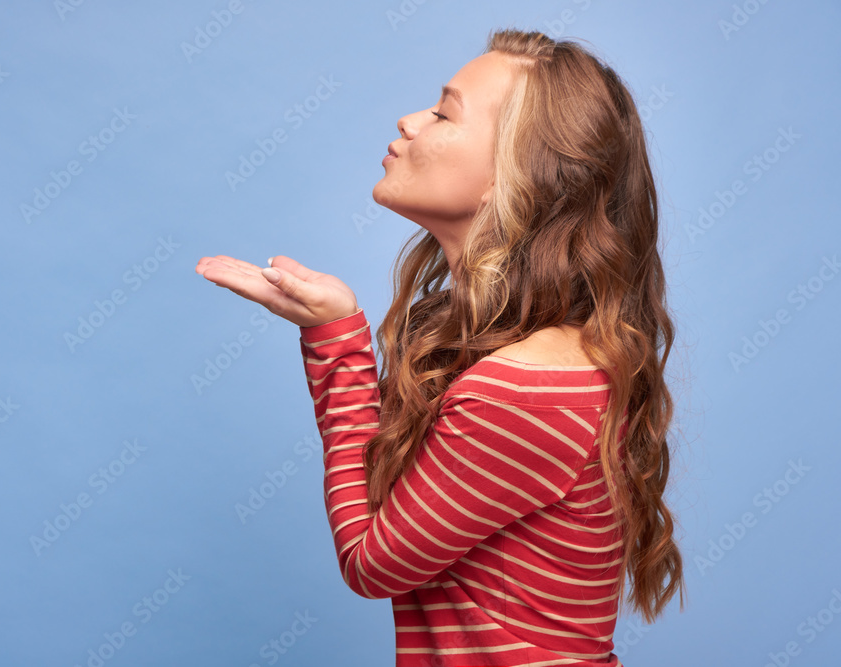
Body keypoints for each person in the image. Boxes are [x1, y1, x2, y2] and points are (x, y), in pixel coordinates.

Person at [196, 27, 685, 667]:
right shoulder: (523, 357)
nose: (408, 120)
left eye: (443, 112)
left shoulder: (523, 391)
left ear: (509, 179)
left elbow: (372, 563)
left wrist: (335, 348)